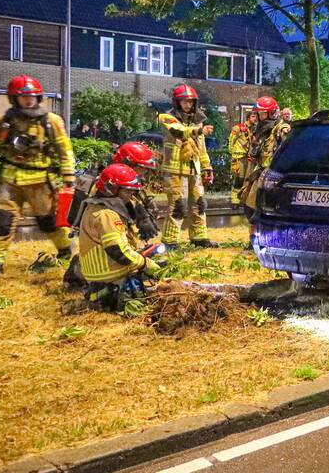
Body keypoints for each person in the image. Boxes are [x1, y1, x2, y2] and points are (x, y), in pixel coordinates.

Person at [0, 75, 76, 278]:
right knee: (1, 221)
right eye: (23, 97)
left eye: (33, 96)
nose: (29, 100)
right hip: (10, 181)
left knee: (48, 221)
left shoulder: (51, 121)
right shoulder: (3, 122)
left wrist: (69, 176)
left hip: (40, 181)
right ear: (14, 98)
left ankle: (65, 249)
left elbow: (64, 149)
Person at [78, 163, 162, 311]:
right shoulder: (108, 215)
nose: (131, 195)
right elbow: (119, 253)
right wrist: (145, 264)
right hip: (109, 272)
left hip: (97, 272)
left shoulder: (96, 207)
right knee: (156, 269)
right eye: (127, 190)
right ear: (112, 189)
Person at [157, 84, 216, 250]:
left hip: (194, 171)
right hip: (175, 172)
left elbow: (202, 150)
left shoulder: (197, 123)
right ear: (177, 102)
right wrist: (199, 130)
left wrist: (207, 168)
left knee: (199, 203)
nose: (188, 105)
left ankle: (199, 238)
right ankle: (170, 241)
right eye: (184, 101)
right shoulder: (167, 118)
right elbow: (180, 132)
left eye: (190, 102)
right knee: (178, 206)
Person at [239, 96, 290, 216]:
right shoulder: (263, 131)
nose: (259, 118)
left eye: (261, 114)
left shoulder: (280, 129)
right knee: (250, 208)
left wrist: (285, 132)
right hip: (261, 174)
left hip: (274, 178)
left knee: (265, 211)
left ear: (271, 114)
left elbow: (288, 142)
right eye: (258, 114)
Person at [227, 113, 256, 206]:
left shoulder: (255, 129)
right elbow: (231, 140)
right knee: (239, 179)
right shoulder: (239, 128)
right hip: (240, 157)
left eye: (256, 116)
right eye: (253, 116)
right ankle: (235, 201)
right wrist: (232, 152)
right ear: (248, 118)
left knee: (247, 179)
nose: (255, 118)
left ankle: (243, 199)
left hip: (249, 158)